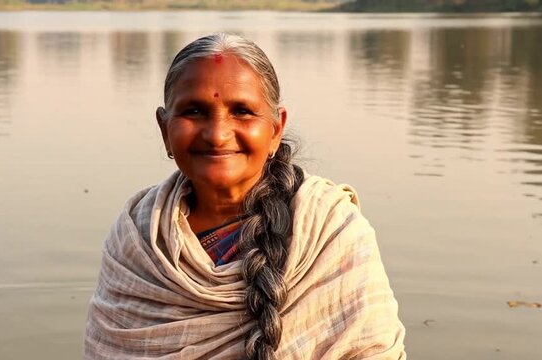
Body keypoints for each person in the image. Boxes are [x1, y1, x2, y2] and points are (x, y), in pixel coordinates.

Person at [84, 33, 406, 360]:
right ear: (164, 129)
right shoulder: (136, 238)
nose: (217, 134)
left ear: (275, 130)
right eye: (194, 111)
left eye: (242, 111)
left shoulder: (331, 230)